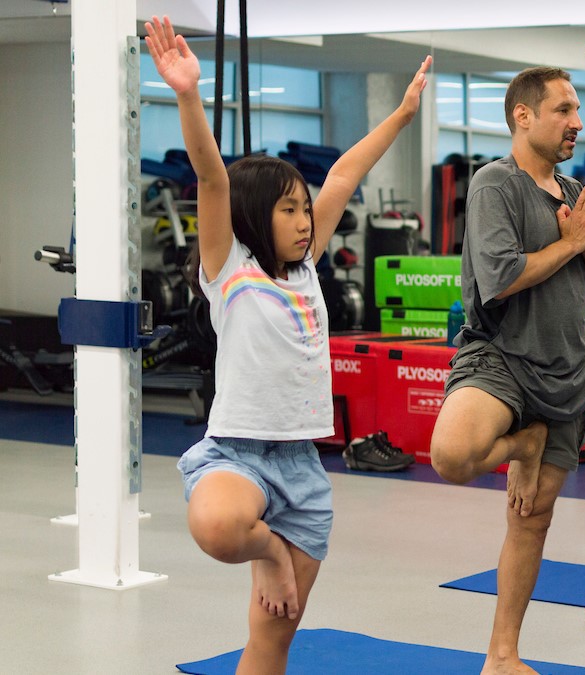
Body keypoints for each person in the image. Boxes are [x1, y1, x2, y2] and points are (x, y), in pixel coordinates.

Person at [145, 17, 430, 674]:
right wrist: (189, 94)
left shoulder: (306, 269)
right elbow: (212, 177)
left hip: (301, 468)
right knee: (219, 528)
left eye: (306, 210)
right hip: (237, 456)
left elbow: (345, 176)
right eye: (288, 211)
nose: (305, 222)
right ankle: (269, 552)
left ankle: (274, 567)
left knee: (271, 638)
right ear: (253, 217)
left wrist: (402, 116)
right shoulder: (229, 270)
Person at [428, 66, 585, 674]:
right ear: (523, 116)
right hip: (502, 357)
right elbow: (502, 276)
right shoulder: (495, 184)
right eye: (563, 110)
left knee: (531, 521)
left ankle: (502, 657)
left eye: (577, 111)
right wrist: (570, 242)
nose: (577, 123)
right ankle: (524, 440)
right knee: (452, 456)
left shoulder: (572, 191)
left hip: (567, 371)